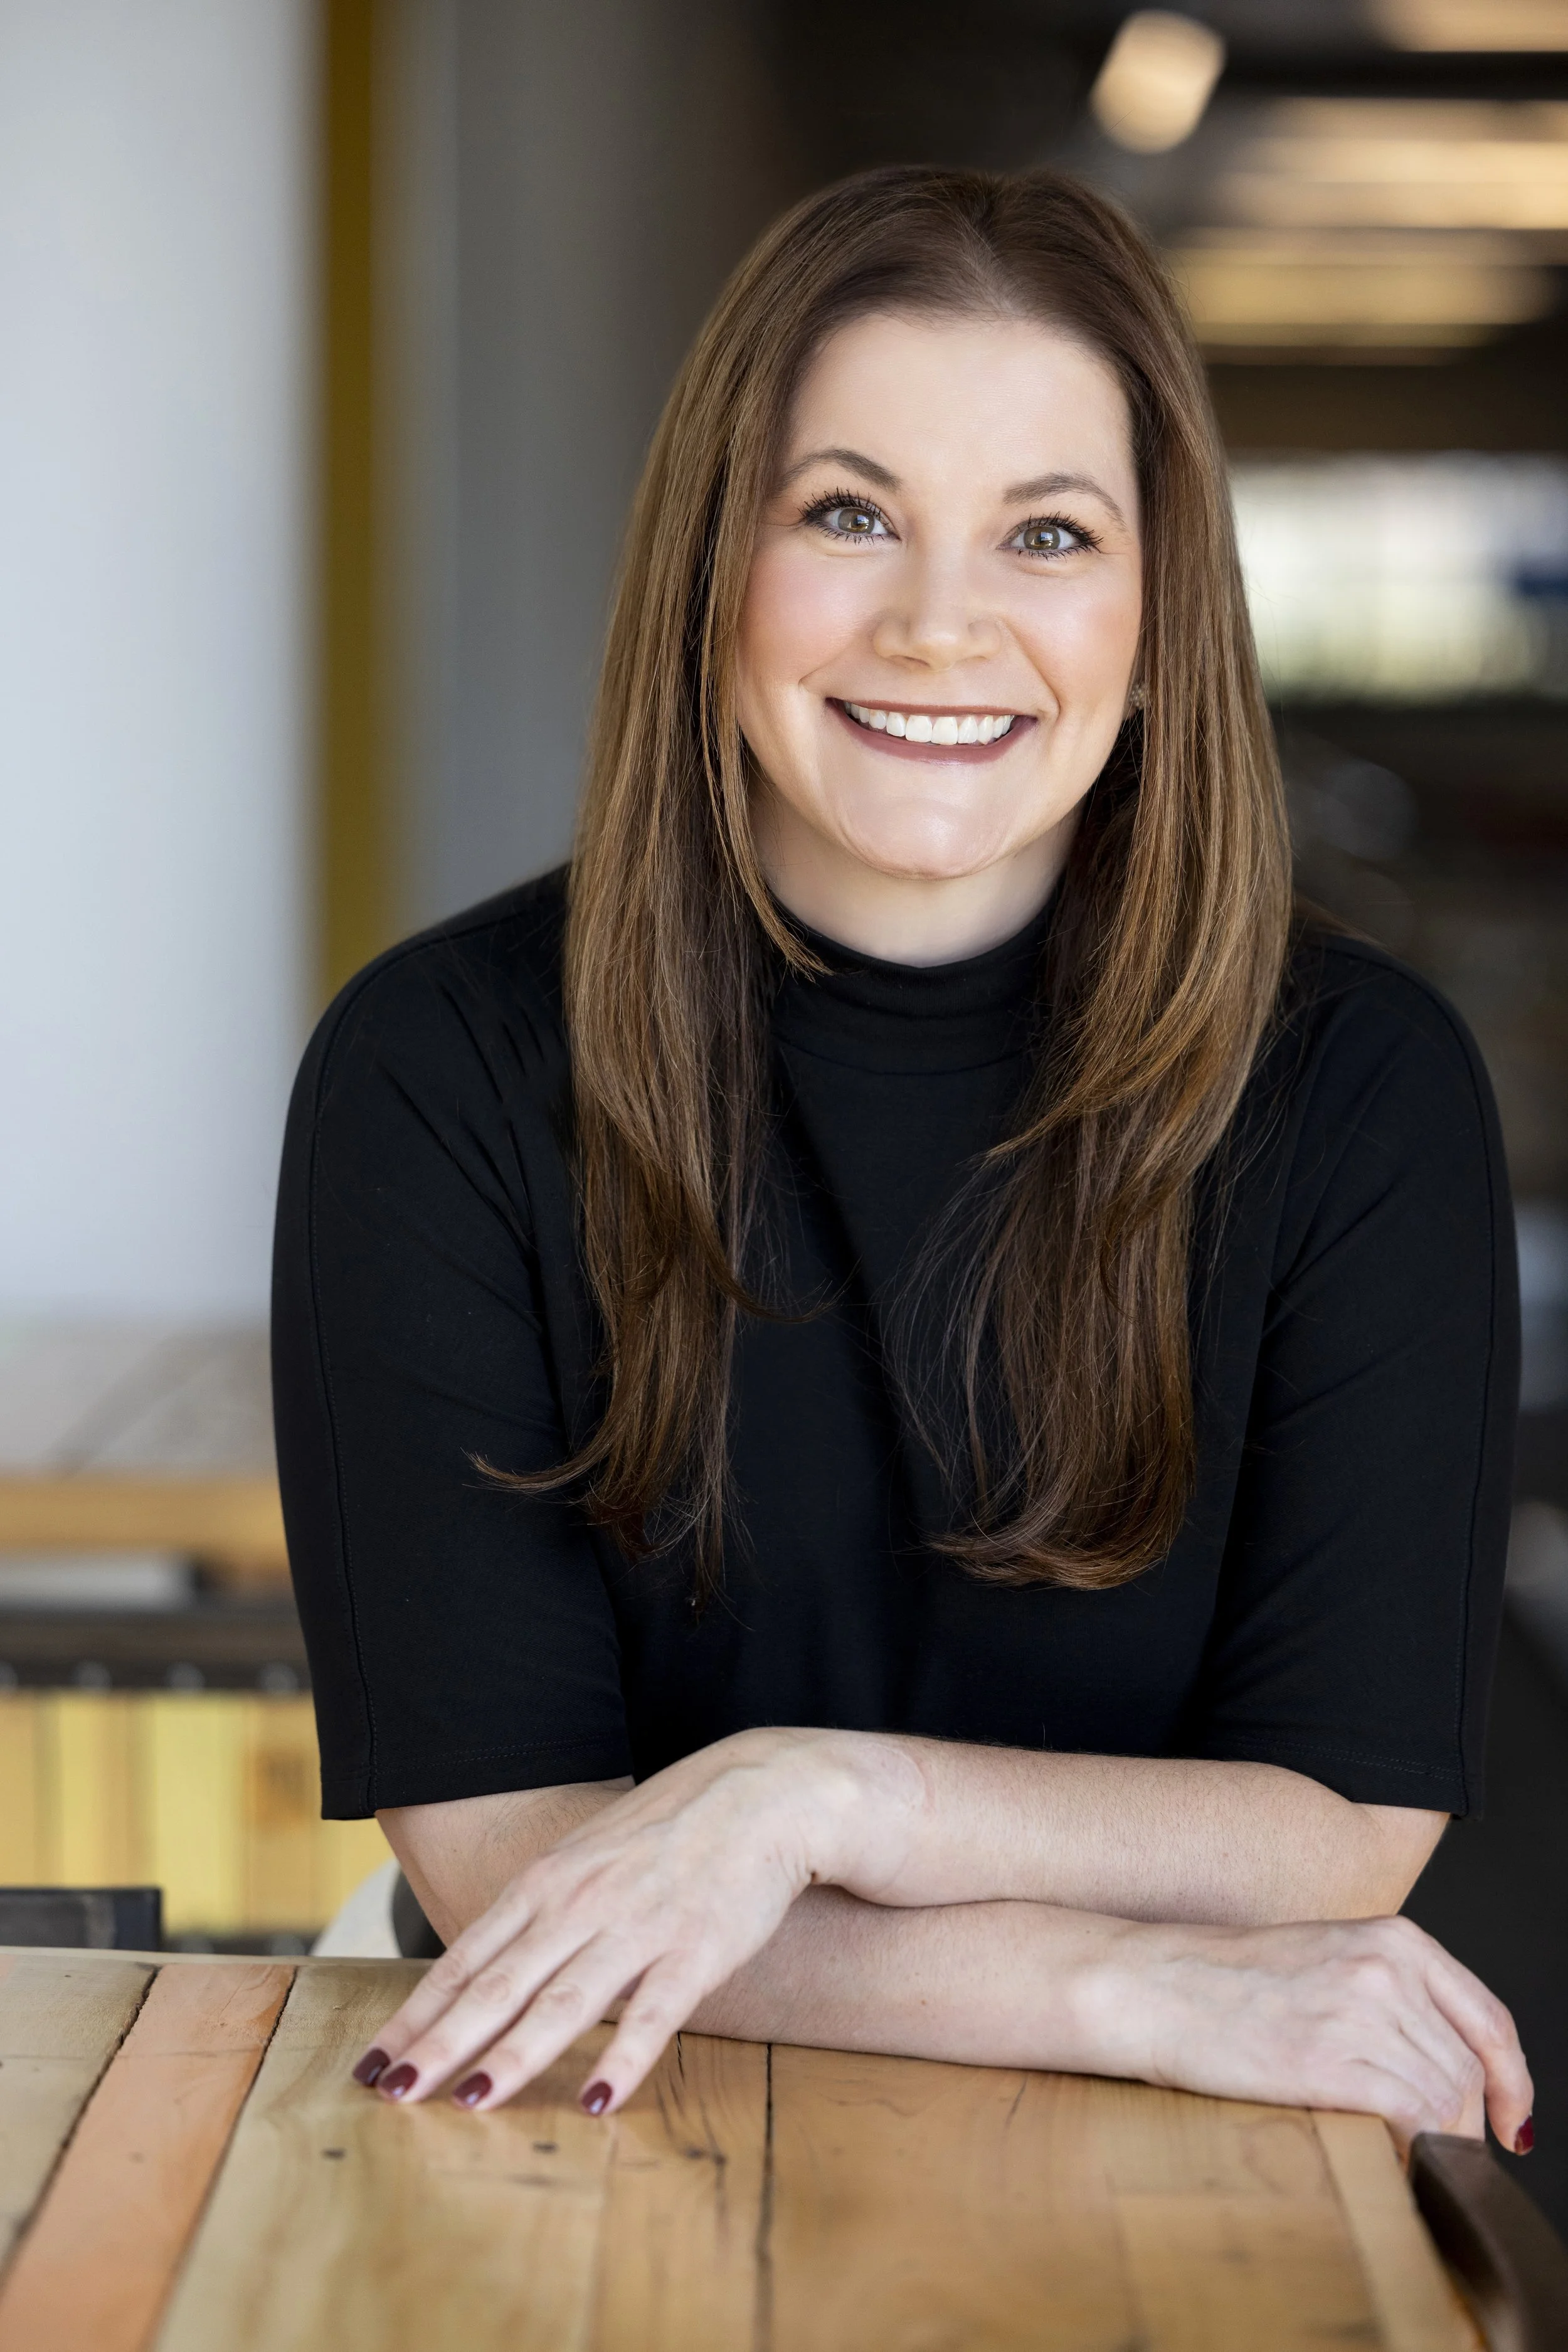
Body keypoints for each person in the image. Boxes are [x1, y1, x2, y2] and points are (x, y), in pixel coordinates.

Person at [273, 165, 1533, 2149]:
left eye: (1047, 533)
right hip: (580, 2112)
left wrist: (823, 1794)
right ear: (715, 566)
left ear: (1158, 613)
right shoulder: (437, 1067)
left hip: (1181, 2142)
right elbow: (507, 1861)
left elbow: (1339, 1823)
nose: (940, 626)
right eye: (847, 514)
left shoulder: (1359, 1087)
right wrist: (1109, 1979)